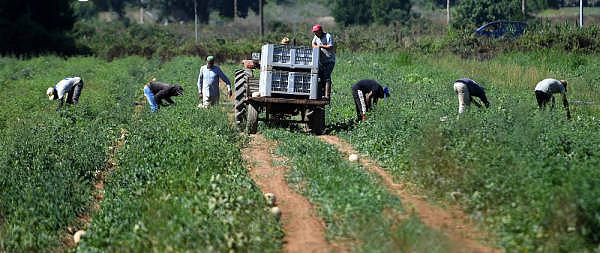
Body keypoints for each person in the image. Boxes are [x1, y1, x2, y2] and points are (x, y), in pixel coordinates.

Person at [311, 24, 335, 99]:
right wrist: (316, 46)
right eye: (314, 32)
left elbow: (330, 46)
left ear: (320, 31)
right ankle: (320, 94)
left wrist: (320, 46)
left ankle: (327, 96)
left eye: (316, 32)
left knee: (327, 77)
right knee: (320, 77)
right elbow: (313, 43)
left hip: (329, 60)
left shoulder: (328, 36)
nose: (315, 34)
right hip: (321, 61)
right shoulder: (316, 37)